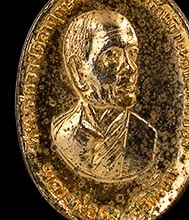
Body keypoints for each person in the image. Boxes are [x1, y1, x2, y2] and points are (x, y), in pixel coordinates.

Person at [51, 9, 157, 182]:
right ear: (77, 72)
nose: (132, 68)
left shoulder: (146, 138)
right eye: (112, 56)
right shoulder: (60, 133)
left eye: (132, 53)